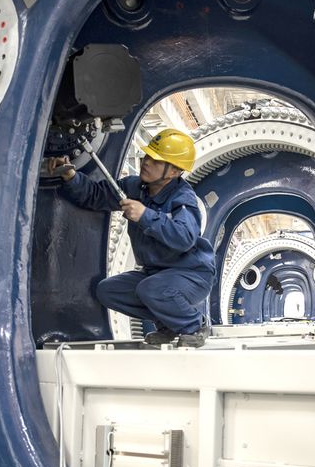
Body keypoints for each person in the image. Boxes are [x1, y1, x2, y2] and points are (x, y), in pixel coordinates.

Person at [49, 129, 215, 347]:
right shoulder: (134, 187)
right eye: (147, 156)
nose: (146, 162)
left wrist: (146, 215)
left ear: (174, 171)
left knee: (152, 289)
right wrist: (70, 176)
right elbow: (96, 196)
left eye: (155, 161)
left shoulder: (183, 199)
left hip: (191, 275)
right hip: (156, 274)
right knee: (108, 291)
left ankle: (195, 325)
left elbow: (185, 238)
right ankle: (168, 324)